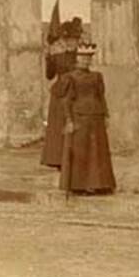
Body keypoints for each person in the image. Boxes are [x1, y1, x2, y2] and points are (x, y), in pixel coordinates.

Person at [57, 42, 116, 195]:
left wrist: (106, 115)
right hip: (79, 117)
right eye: (83, 58)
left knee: (98, 151)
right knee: (81, 151)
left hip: (96, 117)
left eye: (88, 58)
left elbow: (101, 97)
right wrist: (69, 120)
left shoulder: (97, 76)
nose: (86, 61)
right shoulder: (70, 77)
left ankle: (101, 184)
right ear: (77, 58)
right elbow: (66, 100)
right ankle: (80, 185)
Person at [40, 19, 82, 168]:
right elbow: (50, 75)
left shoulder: (83, 57)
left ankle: (76, 160)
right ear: (64, 40)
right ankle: (58, 160)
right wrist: (48, 58)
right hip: (60, 94)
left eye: (74, 39)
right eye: (68, 39)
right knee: (59, 127)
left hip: (77, 93)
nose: (71, 43)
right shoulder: (58, 56)